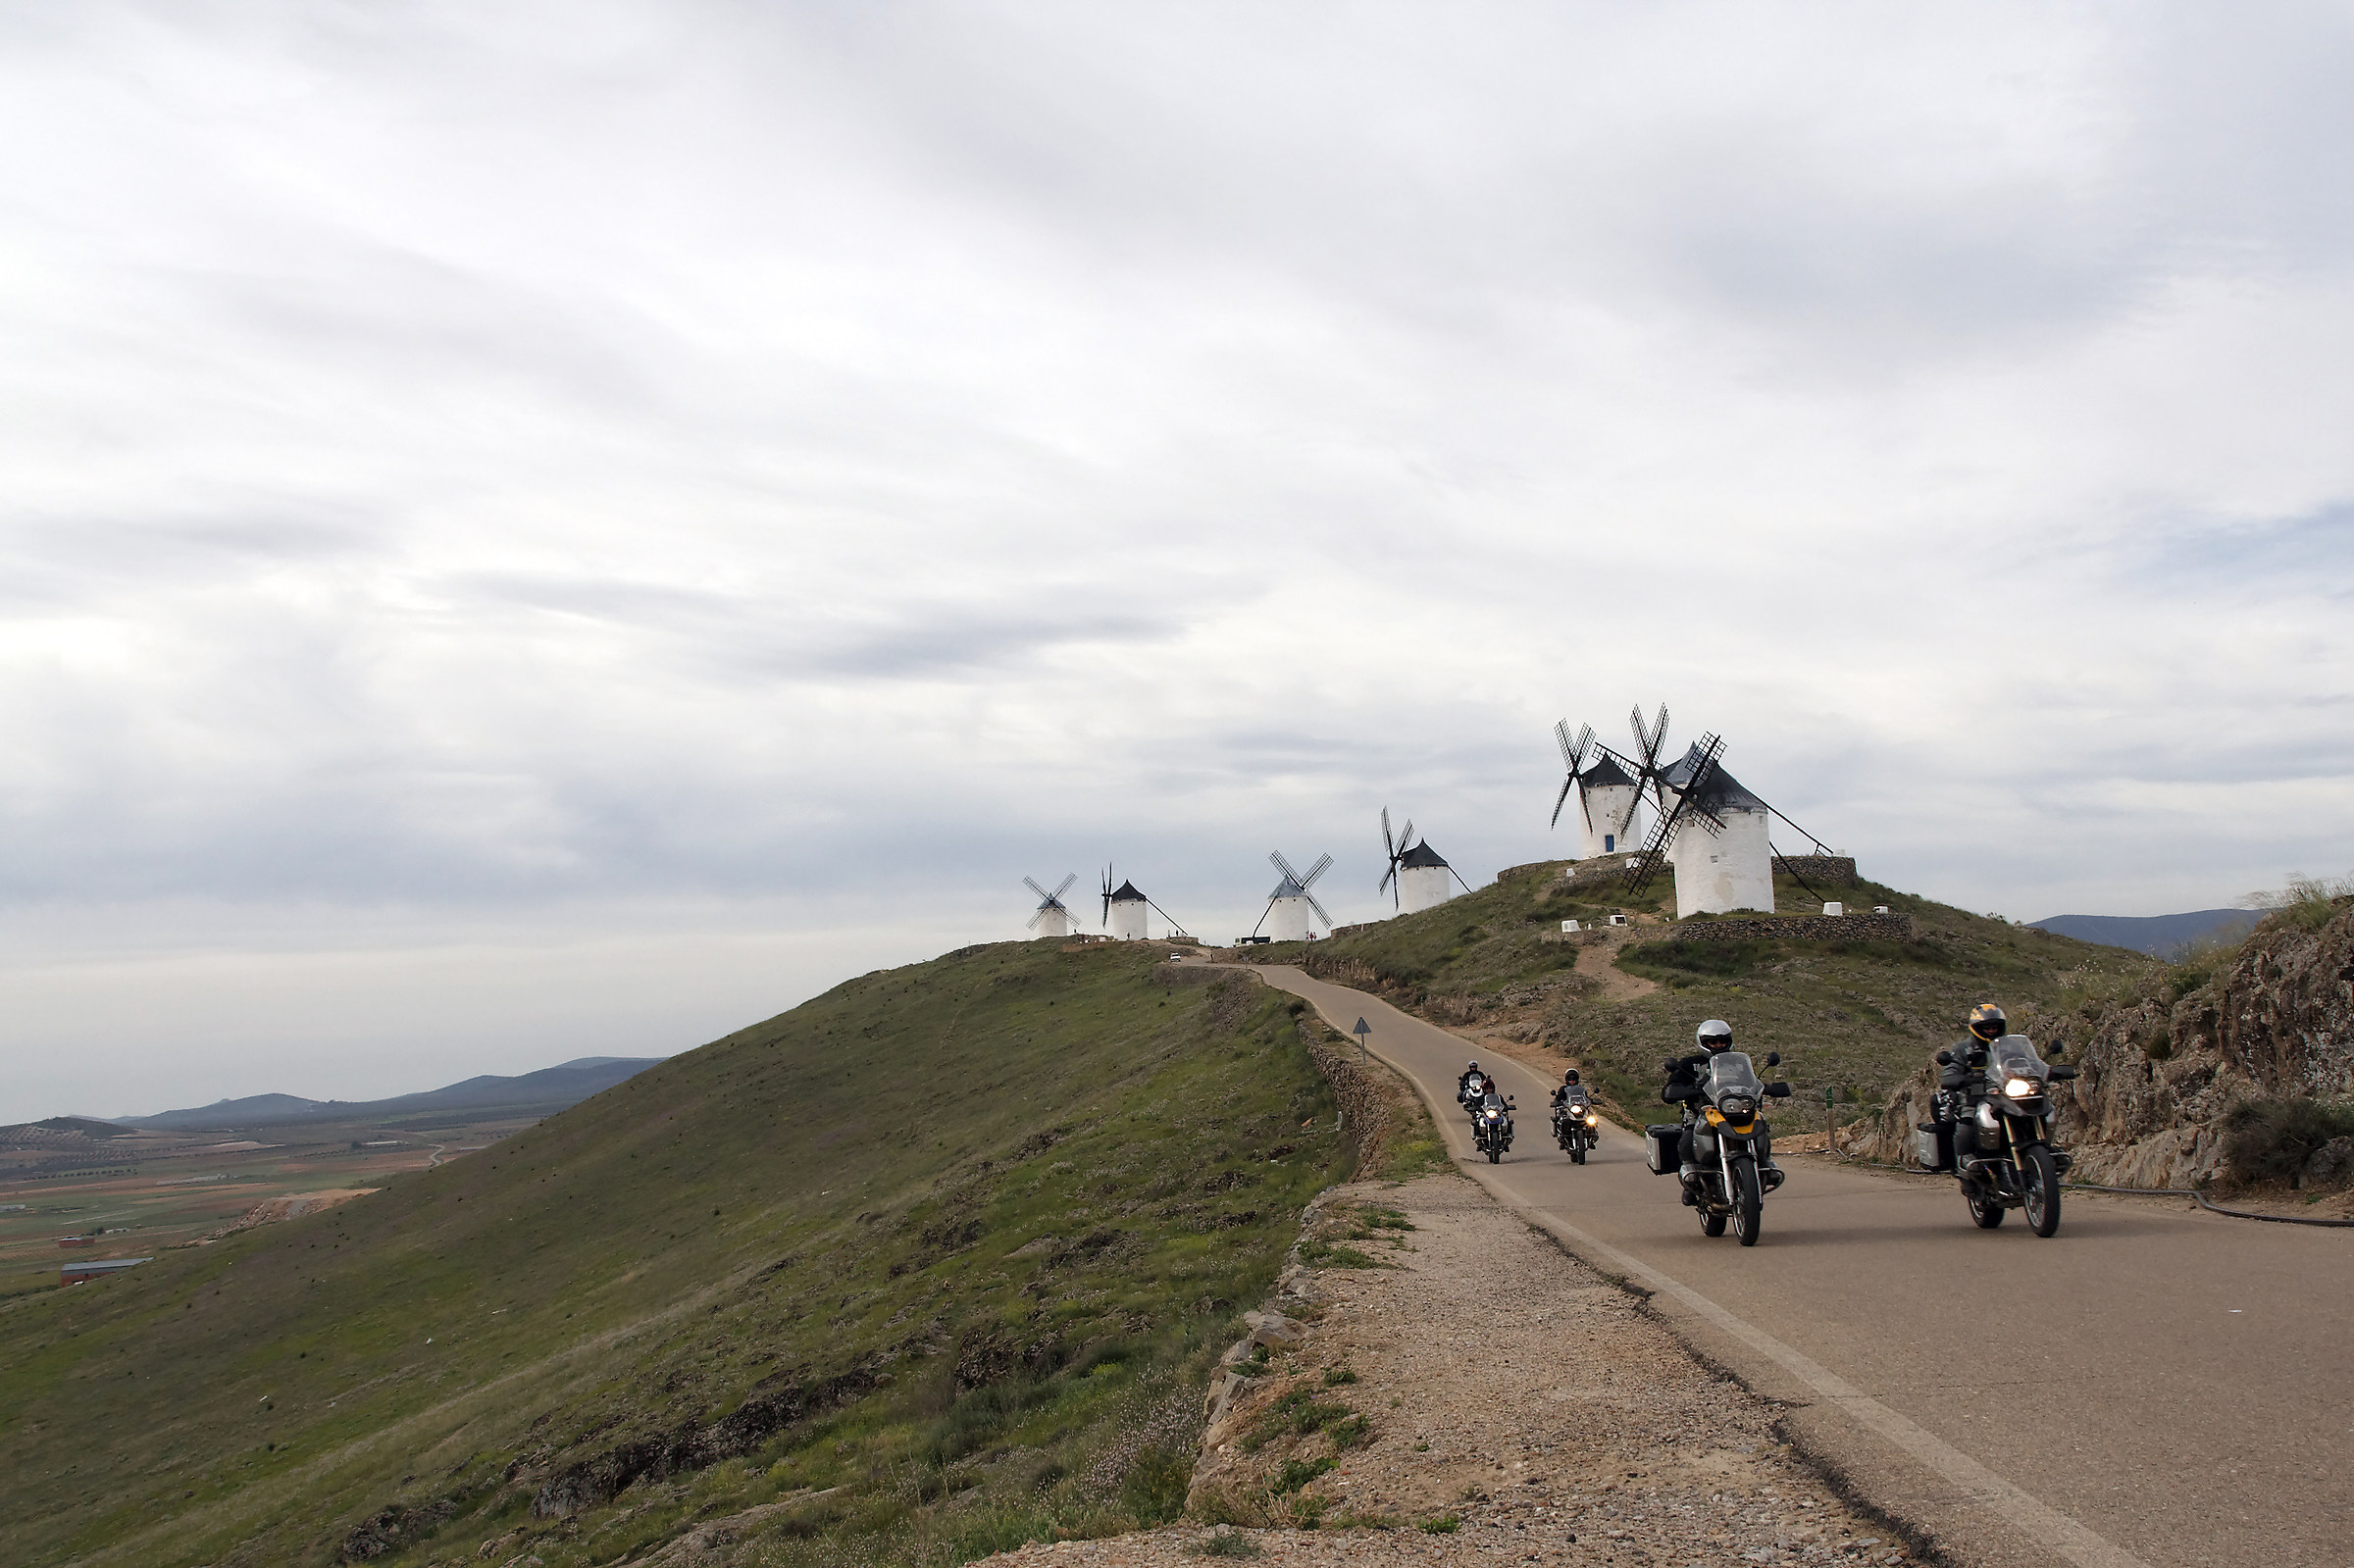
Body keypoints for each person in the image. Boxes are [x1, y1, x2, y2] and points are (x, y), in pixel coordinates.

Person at [1942, 1004, 2008, 1170]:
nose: (1991, 1030)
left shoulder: (2008, 1047)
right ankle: (1965, 1165)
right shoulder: (1962, 1049)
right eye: (1986, 1027)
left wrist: (2048, 1071)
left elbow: (2026, 1063)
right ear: (1976, 1028)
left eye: (1995, 1026)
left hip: (2006, 1098)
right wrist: (1958, 1079)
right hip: (1975, 1101)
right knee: (1966, 1127)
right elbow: (1950, 1071)